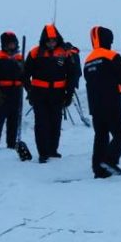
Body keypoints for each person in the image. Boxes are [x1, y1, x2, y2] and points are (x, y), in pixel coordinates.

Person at [83, 26, 121, 178]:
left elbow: (103, 83)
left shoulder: (88, 61)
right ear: (108, 40)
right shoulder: (111, 56)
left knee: (101, 136)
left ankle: (99, 169)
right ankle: (110, 161)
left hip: (95, 105)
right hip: (112, 104)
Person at [23, 24, 80, 163]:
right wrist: (29, 91)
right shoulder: (35, 53)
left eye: (54, 40)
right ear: (44, 40)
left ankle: (53, 150)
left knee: (55, 122)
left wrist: (69, 94)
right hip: (39, 94)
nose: (51, 43)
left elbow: (72, 74)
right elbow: (24, 74)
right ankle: (43, 152)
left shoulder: (65, 53)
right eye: (49, 40)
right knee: (41, 123)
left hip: (58, 94)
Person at [0, 31, 24, 150]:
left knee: (14, 119)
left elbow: (25, 75)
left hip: (17, 92)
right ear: (4, 44)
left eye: (13, 43)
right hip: (2, 93)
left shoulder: (19, 58)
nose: (12, 46)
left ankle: (11, 143)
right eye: (9, 44)